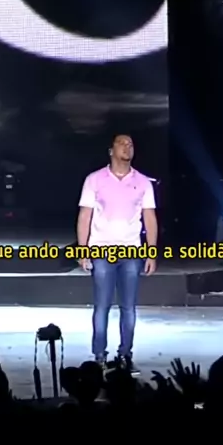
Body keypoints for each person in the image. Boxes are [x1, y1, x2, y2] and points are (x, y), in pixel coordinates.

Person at [77, 134, 158, 373]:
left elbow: (150, 217)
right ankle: (99, 356)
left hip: (131, 251)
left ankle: (125, 355)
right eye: (122, 143)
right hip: (102, 250)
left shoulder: (143, 182)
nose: (127, 147)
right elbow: (85, 215)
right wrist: (83, 250)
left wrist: (151, 252)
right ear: (111, 150)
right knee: (102, 306)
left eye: (130, 144)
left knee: (128, 307)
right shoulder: (95, 180)